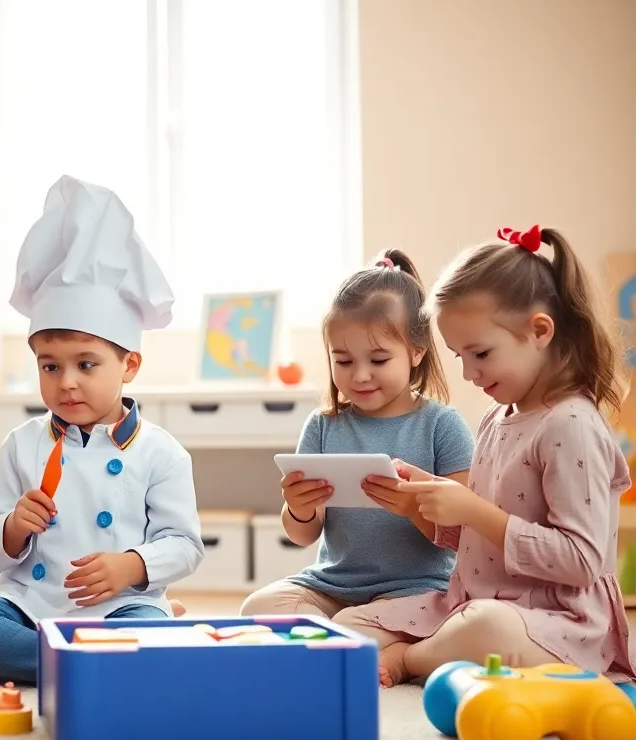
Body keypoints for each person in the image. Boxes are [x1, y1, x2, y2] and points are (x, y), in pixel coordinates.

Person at [334, 225, 636, 686]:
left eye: (479, 354)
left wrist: (473, 509)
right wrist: (422, 504)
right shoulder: (499, 417)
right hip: (471, 601)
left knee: (485, 629)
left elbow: (581, 562)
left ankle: (409, 660)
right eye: (458, 356)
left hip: (558, 624)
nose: (469, 373)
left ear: (540, 331)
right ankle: (435, 650)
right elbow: (478, 543)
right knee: (348, 627)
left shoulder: (570, 424)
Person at [0, 175, 205, 684]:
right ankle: (81, 663)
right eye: (50, 366)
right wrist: (10, 528)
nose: (67, 383)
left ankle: (71, 660)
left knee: (151, 635)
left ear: (130, 365)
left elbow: (184, 543)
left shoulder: (160, 453)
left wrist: (133, 566)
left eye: (86, 365)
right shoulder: (22, 444)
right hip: (31, 604)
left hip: (120, 606)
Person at [240, 251, 474, 618]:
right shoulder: (322, 426)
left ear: (416, 352)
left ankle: (367, 639)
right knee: (259, 608)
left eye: (378, 360)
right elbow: (302, 535)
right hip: (333, 584)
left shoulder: (442, 426)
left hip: (418, 588)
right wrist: (300, 510)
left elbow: (466, 535)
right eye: (344, 361)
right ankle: (365, 637)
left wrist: (415, 507)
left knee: (351, 625)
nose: (360, 375)